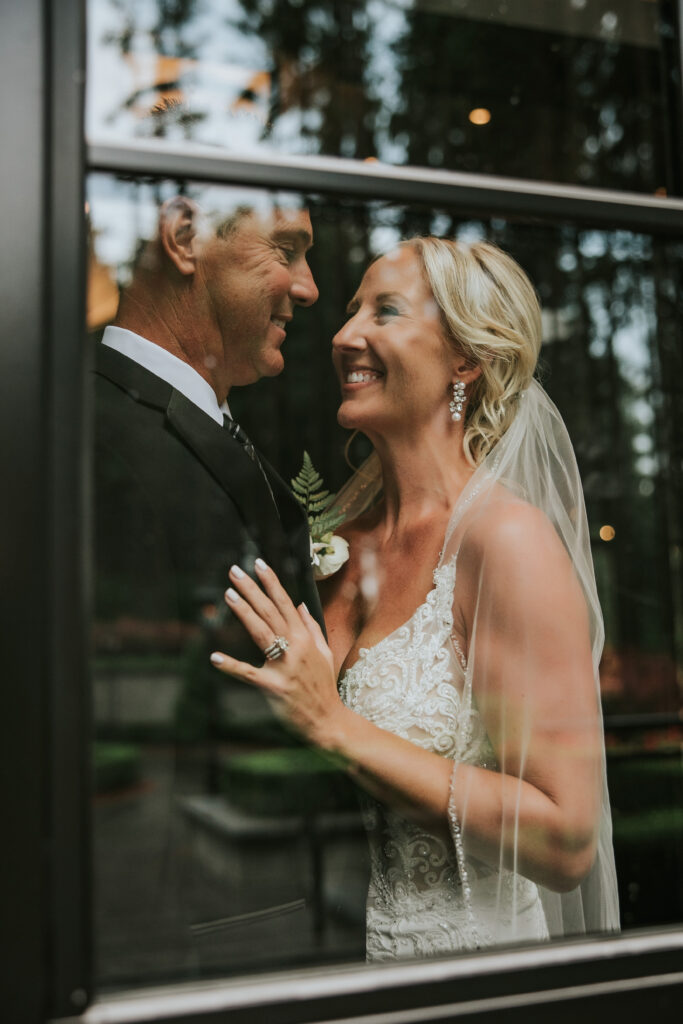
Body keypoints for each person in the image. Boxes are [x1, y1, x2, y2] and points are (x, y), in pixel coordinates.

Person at [209, 237, 620, 960]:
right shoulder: (339, 543)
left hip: (470, 968)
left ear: (465, 359)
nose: (342, 336)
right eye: (350, 311)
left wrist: (334, 725)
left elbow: (565, 842)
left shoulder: (505, 543)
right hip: (339, 959)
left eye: (385, 311)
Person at [93, 195, 364, 967]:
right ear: (184, 239)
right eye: (286, 250)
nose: (309, 288)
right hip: (178, 946)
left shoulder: (203, 420)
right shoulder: (93, 431)